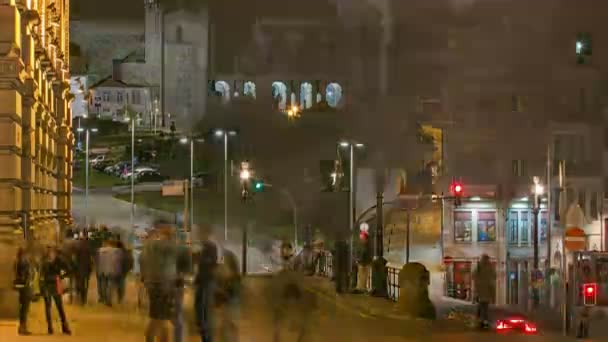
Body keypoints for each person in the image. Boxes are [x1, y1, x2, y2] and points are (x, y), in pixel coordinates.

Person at [140, 221, 179, 342]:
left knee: (155, 317)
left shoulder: (148, 246)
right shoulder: (166, 245)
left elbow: (142, 262)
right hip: (163, 285)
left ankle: (150, 339)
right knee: (161, 320)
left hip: (152, 284)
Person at [40, 247, 71, 335]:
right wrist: (42, 287)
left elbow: (69, 269)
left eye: (52, 252)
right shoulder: (44, 261)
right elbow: (41, 274)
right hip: (47, 284)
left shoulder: (59, 260)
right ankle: (50, 327)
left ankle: (64, 326)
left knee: (59, 306)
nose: (51, 254)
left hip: (56, 284)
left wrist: (61, 277)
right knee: (48, 306)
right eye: (50, 252)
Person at [195, 232, 218, 342]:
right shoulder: (204, 248)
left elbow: (210, 263)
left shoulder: (211, 247)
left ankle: (207, 337)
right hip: (203, 282)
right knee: (200, 309)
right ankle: (204, 334)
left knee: (205, 311)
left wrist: (199, 257)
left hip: (207, 282)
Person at [216, 248, 241, 342]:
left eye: (224, 261)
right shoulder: (224, 279)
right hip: (227, 309)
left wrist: (222, 292)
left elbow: (231, 295)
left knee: (230, 328)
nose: (222, 265)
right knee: (225, 329)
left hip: (231, 309)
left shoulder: (234, 279)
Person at [13, 247, 33, 335]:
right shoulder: (24, 261)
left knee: (22, 307)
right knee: (25, 307)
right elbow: (27, 274)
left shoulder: (16, 261)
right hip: (25, 286)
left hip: (19, 285)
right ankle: (22, 327)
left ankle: (21, 327)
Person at [473, 254, 496, 329]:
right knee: (484, 307)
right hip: (487, 291)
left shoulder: (479, 267)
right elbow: (494, 277)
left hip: (480, 291)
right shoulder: (490, 267)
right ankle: (483, 321)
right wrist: (493, 296)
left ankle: (480, 321)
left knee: (481, 306)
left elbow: (473, 276)